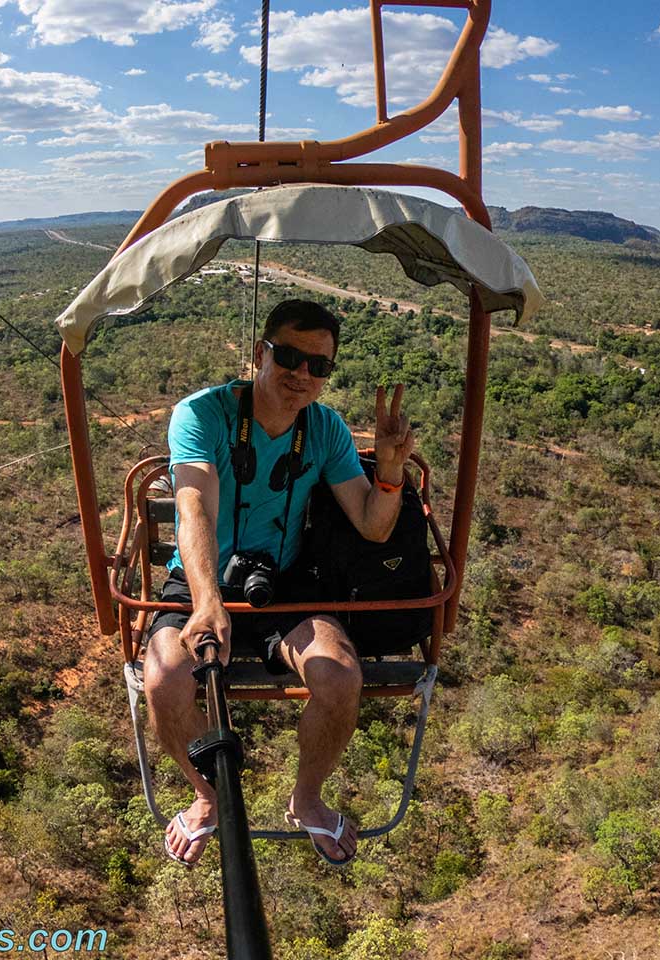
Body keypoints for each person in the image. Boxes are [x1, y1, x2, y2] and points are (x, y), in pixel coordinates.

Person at [143, 298, 414, 868]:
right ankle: (208, 797)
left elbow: (372, 523)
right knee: (166, 675)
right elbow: (193, 509)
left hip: (283, 584)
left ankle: (307, 799)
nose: (302, 375)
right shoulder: (203, 415)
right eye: (289, 356)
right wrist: (207, 600)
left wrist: (388, 470)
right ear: (260, 353)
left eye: (319, 366)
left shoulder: (323, 428)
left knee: (340, 676)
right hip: (200, 582)